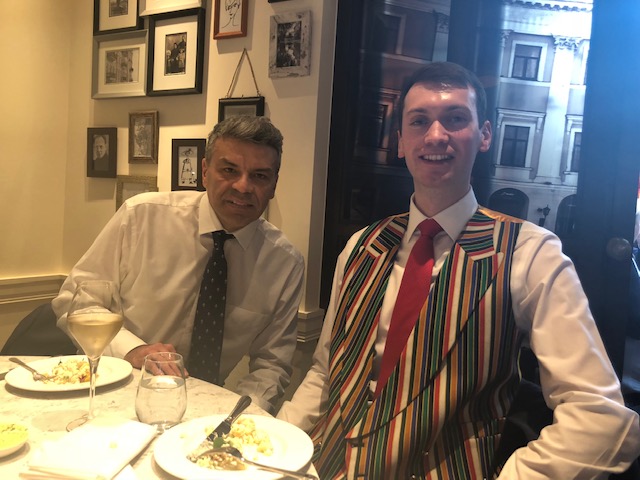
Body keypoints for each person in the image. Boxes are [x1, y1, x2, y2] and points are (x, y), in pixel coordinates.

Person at [277, 62, 640, 478]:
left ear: (484, 135)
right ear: (400, 141)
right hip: (323, 465)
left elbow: (600, 417)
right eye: (419, 121)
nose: (435, 135)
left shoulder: (530, 253)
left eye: (455, 119)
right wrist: (273, 449)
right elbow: (325, 373)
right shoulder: (361, 246)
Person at [53, 116, 304, 413]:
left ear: (274, 185)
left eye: (260, 176)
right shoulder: (141, 217)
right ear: (205, 172)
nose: (243, 186)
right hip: (114, 391)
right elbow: (75, 304)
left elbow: (271, 365)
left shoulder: (284, 263)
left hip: (203, 411)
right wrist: (132, 349)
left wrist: (239, 416)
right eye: (229, 170)